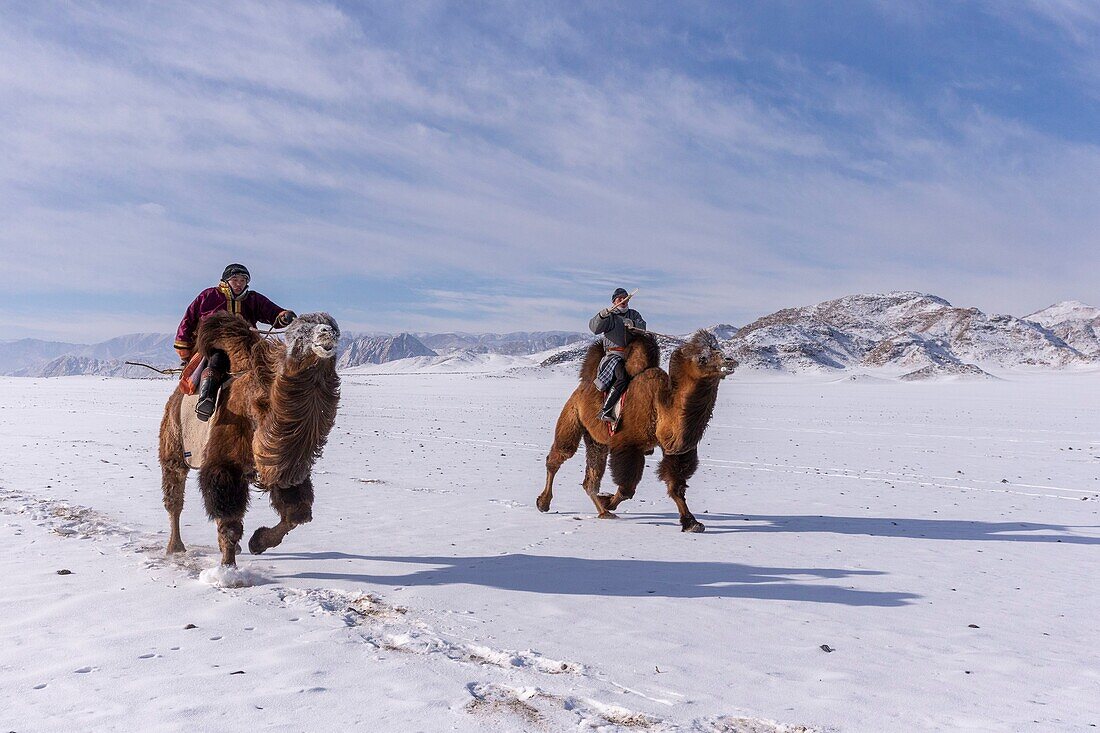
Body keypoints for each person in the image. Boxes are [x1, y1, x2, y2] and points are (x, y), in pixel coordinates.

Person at [175, 264, 296, 421]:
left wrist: (283, 315)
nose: (239, 284)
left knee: (268, 367)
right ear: (225, 281)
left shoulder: (253, 299)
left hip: (248, 346)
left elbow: (273, 312)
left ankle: (278, 405)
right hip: (215, 344)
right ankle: (206, 399)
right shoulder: (208, 296)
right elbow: (188, 319)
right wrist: (183, 344)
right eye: (235, 280)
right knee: (217, 360)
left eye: (243, 280)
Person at [589, 287, 646, 422]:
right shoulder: (609, 316)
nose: (623, 300)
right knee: (623, 377)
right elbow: (594, 328)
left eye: (625, 298)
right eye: (619, 298)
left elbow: (643, 328)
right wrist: (601, 316)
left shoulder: (634, 314)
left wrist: (633, 324)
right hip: (613, 356)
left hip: (632, 357)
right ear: (614, 301)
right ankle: (605, 410)